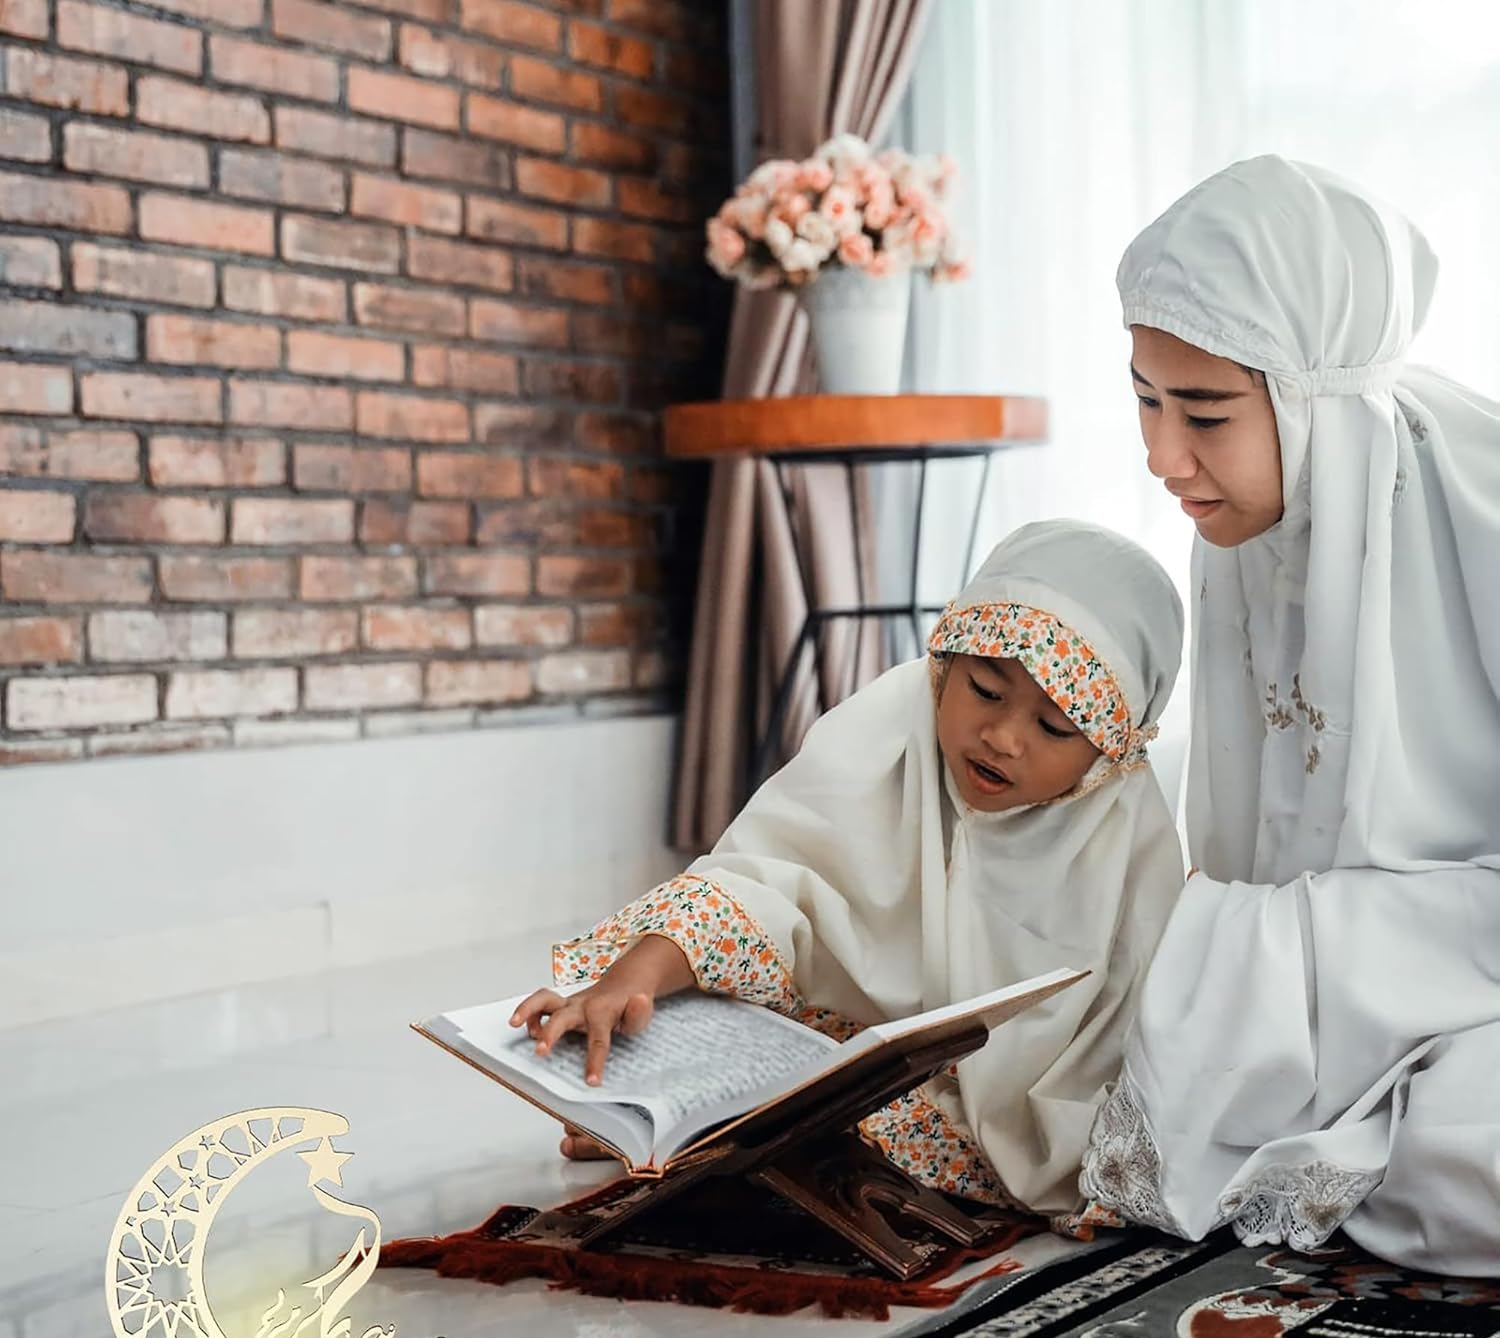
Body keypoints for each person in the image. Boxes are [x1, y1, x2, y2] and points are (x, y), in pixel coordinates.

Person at [512, 520, 1185, 1224]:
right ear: (945, 663)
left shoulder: (1121, 848)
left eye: (1054, 728)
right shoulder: (887, 737)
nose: (1004, 738)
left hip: (957, 1119)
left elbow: (1122, 1045)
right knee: (697, 994)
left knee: (822, 1118)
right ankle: (672, 1124)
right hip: (834, 1047)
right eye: (986, 689)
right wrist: (634, 976)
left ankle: (720, 1138)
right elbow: (765, 881)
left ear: (1113, 756)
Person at [1082, 156, 1500, 1273]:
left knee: (1474, 1149)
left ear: (1317, 403)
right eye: (1145, 398)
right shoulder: (1249, 522)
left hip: (1475, 959)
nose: (1164, 459)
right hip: (1375, 974)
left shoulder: (1481, 509)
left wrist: (1303, 950)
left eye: (1206, 413)